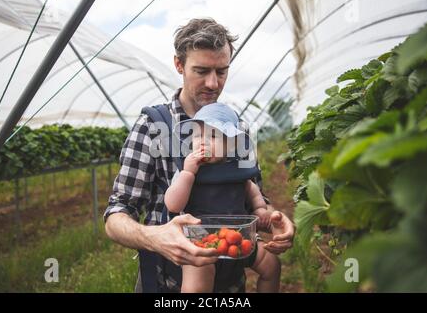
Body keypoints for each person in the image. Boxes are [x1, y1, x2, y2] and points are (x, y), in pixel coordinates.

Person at [104, 18, 295, 293]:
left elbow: (249, 199)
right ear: (179, 65)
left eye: (222, 71)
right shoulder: (154, 127)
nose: (213, 83)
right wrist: (156, 238)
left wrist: (272, 220)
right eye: (201, 70)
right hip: (165, 285)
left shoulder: (237, 132)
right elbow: (117, 213)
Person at [165, 102, 280, 293]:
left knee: (272, 266)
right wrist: (188, 174)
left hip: (239, 239)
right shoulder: (188, 171)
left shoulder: (236, 170)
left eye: (212, 136)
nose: (203, 141)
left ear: (231, 144)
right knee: (197, 285)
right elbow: (173, 205)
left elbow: (251, 189)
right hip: (201, 242)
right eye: (197, 135)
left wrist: (260, 208)